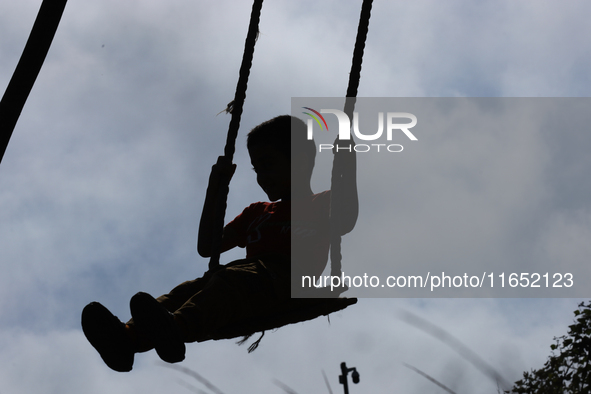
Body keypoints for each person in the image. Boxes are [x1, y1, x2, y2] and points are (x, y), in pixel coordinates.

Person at [81, 115, 358, 372]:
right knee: (188, 290)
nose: (262, 177)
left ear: (302, 160)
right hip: (250, 277)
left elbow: (346, 219)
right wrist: (216, 187)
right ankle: (128, 339)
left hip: (287, 281)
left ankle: (177, 327)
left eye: (269, 164)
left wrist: (347, 163)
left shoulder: (323, 202)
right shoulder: (257, 212)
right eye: (257, 169)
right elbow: (207, 247)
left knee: (227, 281)